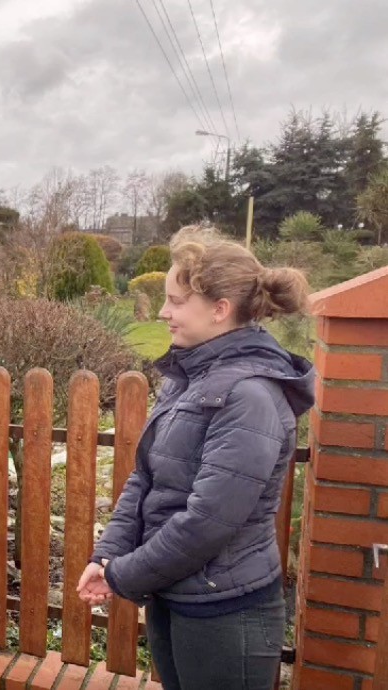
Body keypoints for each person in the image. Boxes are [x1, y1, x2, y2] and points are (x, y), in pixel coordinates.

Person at [78, 227, 315, 690]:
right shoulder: (190, 378)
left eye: (175, 300)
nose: (163, 312)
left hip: (226, 611)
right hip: (174, 596)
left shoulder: (249, 395)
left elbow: (208, 522)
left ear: (219, 309)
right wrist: (109, 554)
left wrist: (122, 575)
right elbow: (145, 480)